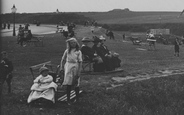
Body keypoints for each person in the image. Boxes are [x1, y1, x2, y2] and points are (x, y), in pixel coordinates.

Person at [60, 38, 82, 105]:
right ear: (69, 44)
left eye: (74, 43)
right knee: (68, 83)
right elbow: (63, 59)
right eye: (71, 43)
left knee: (76, 82)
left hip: (75, 66)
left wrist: (79, 71)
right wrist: (61, 67)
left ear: (76, 43)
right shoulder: (67, 51)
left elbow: (80, 62)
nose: (73, 44)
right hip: (68, 66)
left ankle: (77, 98)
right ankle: (68, 99)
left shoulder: (78, 51)